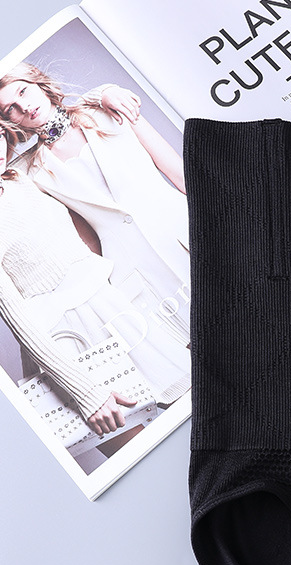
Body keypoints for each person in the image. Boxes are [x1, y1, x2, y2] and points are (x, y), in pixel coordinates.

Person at [0, 121, 190, 438]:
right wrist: (86, 392)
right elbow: (19, 320)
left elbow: (57, 126)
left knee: (202, 413)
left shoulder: (18, 175)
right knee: (138, 449)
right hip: (64, 343)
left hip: (113, 309)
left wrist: (99, 97)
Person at [0, 63, 191, 352]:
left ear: (38, 82)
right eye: (10, 109)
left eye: (23, 91)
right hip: (134, 275)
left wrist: (104, 93)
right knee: (197, 358)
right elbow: (86, 240)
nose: (24, 107)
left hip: (184, 233)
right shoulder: (31, 173)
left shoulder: (108, 110)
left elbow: (181, 175)